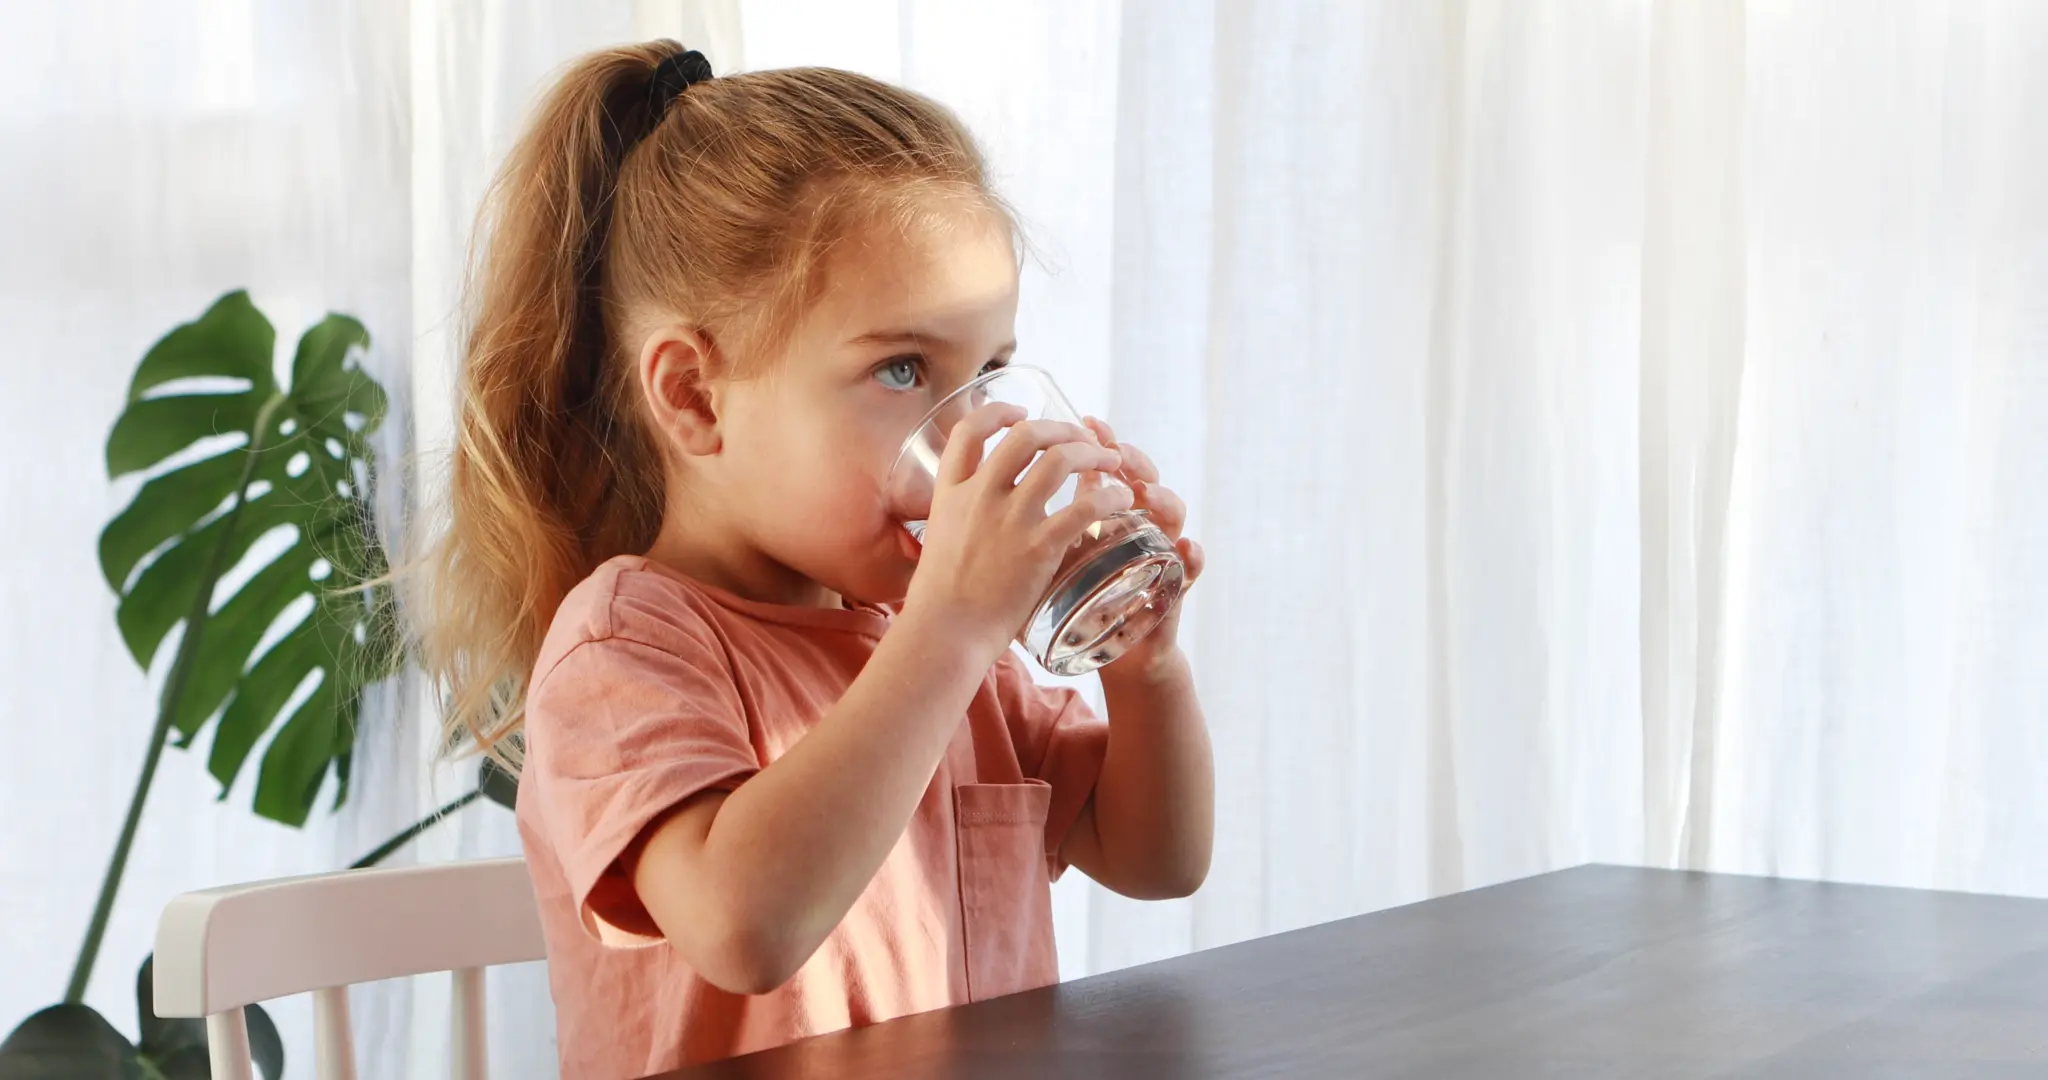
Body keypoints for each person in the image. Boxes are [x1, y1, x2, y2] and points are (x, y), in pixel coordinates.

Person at [414, 41, 1214, 1078]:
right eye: (900, 369)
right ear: (696, 397)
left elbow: (1156, 860)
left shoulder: (932, 636)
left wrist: (1144, 671)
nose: (968, 432)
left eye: (990, 374)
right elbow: (746, 927)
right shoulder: (627, 648)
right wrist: (952, 630)